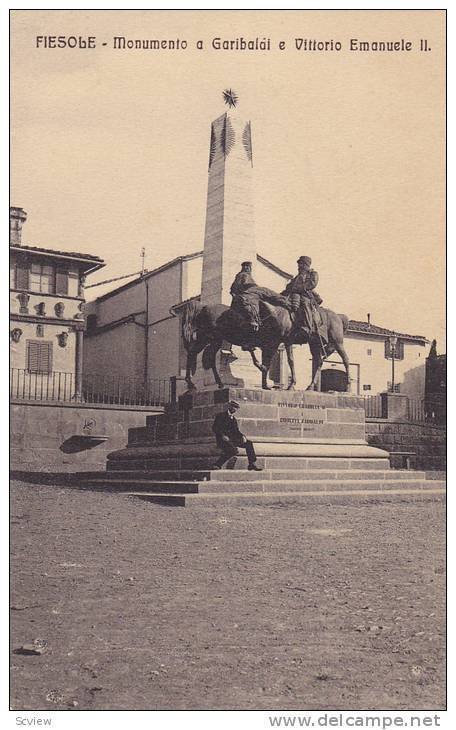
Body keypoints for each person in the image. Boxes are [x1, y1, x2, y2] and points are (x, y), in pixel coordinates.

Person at [282, 256, 327, 345]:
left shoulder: (312, 274)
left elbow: (312, 284)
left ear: (306, 265)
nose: (299, 266)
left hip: (306, 295)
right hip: (294, 294)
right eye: (299, 264)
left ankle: (307, 327)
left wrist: (298, 288)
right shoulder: (297, 277)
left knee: (304, 304)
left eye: (301, 264)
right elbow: (290, 286)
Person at [212, 400, 262, 471]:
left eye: (236, 408)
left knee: (249, 443)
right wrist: (222, 435)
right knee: (233, 450)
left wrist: (243, 436)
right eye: (234, 407)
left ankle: (252, 464)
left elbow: (236, 431)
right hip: (222, 440)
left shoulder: (233, 419)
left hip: (232, 439)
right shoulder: (221, 415)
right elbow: (215, 428)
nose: (235, 409)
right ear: (230, 406)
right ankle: (217, 464)